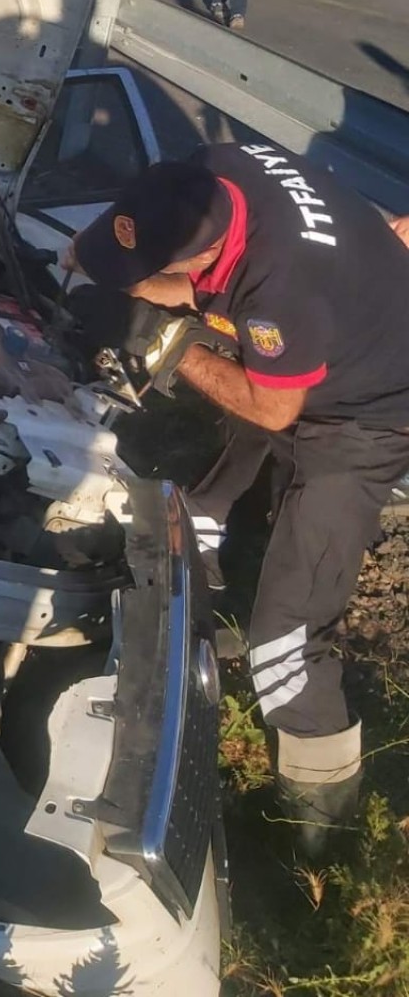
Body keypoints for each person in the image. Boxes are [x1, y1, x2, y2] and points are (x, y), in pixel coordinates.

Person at [70, 146, 409, 853]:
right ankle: (209, 524)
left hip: (368, 418)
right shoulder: (209, 170)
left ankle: (320, 837)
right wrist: (103, 268)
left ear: (202, 254)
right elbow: (182, 280)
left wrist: (166, 348)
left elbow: (273, 404)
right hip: (345, 324)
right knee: (233, 373)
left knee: (282, 639)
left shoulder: (284, 287)